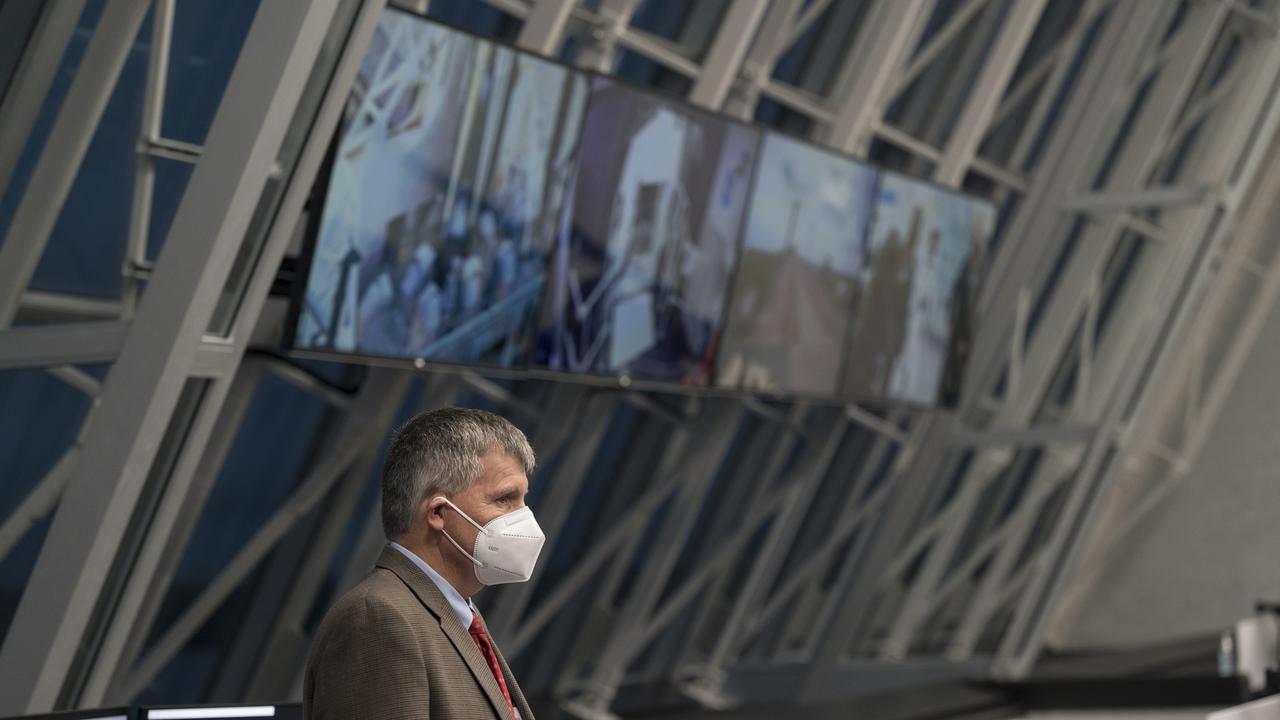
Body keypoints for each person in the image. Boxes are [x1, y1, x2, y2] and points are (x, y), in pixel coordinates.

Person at [305, 408, 544, 720]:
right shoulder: (376, 617)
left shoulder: (455, 614)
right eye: (504, 499)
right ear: (438, 514)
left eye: (523, 499)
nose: (523, 517)